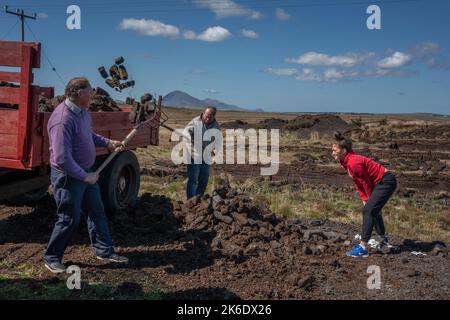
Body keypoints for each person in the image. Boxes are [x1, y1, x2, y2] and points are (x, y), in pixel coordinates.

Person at [44, 77, 129, 273]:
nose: (93, 94)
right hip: (69, 177)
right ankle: (52, 257)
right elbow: (61, 158)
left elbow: (88, 136)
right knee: (68, 218)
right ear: (80, 93)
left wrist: (108, 142)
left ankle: (104, 250)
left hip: (85, 173)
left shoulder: (82, 113)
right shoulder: (62, 119)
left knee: (96, 211)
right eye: (90, 91)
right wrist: (84, 176)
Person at [332, 131, 397, 258]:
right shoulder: (345, 161)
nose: (332, 153)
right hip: (380, 182)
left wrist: (368, 199)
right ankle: (383, 238)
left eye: (335, 150)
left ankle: (362, 248)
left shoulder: (353, 162)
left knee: (368, 210)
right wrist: (364, 198)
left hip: (386, 181)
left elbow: (366, 182)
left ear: (344, 150)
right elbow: (357, 181)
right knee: (373, 209)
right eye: (332, 150)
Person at [184, 106, 221, 199]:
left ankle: (198, 198)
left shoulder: (216, 125)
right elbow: (186, 131)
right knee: (193, 179)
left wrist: (215, 150)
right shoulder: (196, 121)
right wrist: (189, 137)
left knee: (204, 179)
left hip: (206, 155)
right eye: (207, 115)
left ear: (214, 117)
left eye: (210, 117)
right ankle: (191, 200)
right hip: (193, 154)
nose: (208, 118)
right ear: (203, 113)